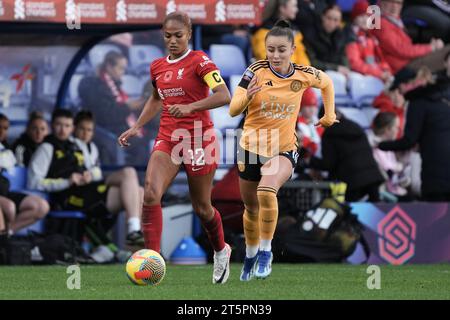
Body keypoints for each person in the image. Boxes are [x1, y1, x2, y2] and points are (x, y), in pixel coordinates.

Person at [118, 12, 233, 284]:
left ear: (188, 34)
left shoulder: (200, 61)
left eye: (178, 36)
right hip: (168, 138)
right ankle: (152, 263)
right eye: (167, 36)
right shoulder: (157, 66)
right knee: (150, 193)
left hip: (198, 139)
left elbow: (224, 95)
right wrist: (137, 126)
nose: (172, 41)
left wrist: (191, 107)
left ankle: (220, 250)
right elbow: (156, 99)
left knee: (202, 208)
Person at [229, 19, 337, 281]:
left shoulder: (303, 73)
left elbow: (327, 83)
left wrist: (329, 114)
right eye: (271, 50)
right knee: (251, 208)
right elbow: (233, 109)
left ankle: (266, 251)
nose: (275, 55)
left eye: (281, 50)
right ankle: (251, 254)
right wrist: (248, 96)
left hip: (284, 148)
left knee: (267, 191)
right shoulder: (254, 71)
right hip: (250, 147)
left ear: (291, 49)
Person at [27, 109, 143, 246]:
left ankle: (134, 234)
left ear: (72, 127)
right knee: (131, 179)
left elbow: (95, 171)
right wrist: (67, 182)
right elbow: (33, 183)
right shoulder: (47, 147)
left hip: (87, 191)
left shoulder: (76, 145)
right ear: (52, 125)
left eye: (67, 126)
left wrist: (89, 175)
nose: (62, 130)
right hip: (69, 198)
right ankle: (132, 236)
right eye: (59, 125)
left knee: (138, 189)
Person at [378, 51, 450, 201]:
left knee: (438, 219)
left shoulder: (418, 103)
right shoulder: (441, 102)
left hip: (436, 174)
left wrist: (381, 146)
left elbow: (410, 140)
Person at [73, 110, 144, 245]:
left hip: (95, 185)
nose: (85, 133)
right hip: (83, 194)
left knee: (139, 191)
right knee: (129, 172)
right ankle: (133, 230)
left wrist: (92, 174)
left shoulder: (92, 147)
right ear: (74, 128)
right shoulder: (70, 144)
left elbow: (97, 172)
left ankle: (135, 239)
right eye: (82, 128)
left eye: (89, 130)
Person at [78, 51, 148, 165]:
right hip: (105, 130)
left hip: (118, 126)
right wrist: (128, 107)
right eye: (121, 68)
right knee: (141, 145)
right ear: (109, 66)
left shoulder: (114, 84)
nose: (123, 73)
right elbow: (106, 115)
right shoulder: (92, 85)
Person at [309, 110, 385, 202]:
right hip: (372, 176)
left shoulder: (329, 134)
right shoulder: (355, 126)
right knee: (376, 210)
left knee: (349, 212)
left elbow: (328, 164)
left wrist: (310, 161)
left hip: (351, 180)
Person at [0, 119, 49, 233]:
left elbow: (9, 162)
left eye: (5, 128)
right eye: (34, 128)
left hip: (5, 191)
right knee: (9, 207)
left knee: (41, 206)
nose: (2, 131)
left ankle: (8, 234)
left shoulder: (4, 147)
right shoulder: (19, 145)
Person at [369, 0, 445, 74]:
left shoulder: (390, 18)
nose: (395, 6)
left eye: (399, 3)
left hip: (407, 61)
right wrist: (430, 47)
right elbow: (402, 50)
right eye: (391, 1)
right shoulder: (382, 24)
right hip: (403, 68)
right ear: (382, 2)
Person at [345, 0, 393, 83]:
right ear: (354, 18)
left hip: (372, 73)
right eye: (361, 16)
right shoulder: (350, 36)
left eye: (367, 16)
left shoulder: (370, 37)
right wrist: (379, 73)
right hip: (358, 75)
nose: (365, 19)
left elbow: (379, 59)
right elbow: (355, 64)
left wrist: (385, 69)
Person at [252, 0, 310, 66]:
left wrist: (305, 72)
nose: (297, 10)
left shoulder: (295, 31)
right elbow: (267, 59)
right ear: (282, 8)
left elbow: (301, 55)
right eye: (294, 6)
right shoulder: (264, 32)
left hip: (295, 73)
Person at [367, 112, 411, 198]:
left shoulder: (387, 146)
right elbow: (388, 170)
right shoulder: (374, 147)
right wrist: (401, 167)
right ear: (387, 129)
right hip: (383, 192)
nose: (399, 130)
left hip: (391, 188)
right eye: (396, 127)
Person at [303, 4, 350, 77]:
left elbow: (343, 57)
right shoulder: (311, 34)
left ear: (339, 22)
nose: (331, 23)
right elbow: (312, 61)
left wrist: (346, 68)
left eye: (336, 20)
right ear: (323, 17)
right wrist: (336, 68)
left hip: (335, 73)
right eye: (329, 18)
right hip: (315, 74)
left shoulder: (340, 35)